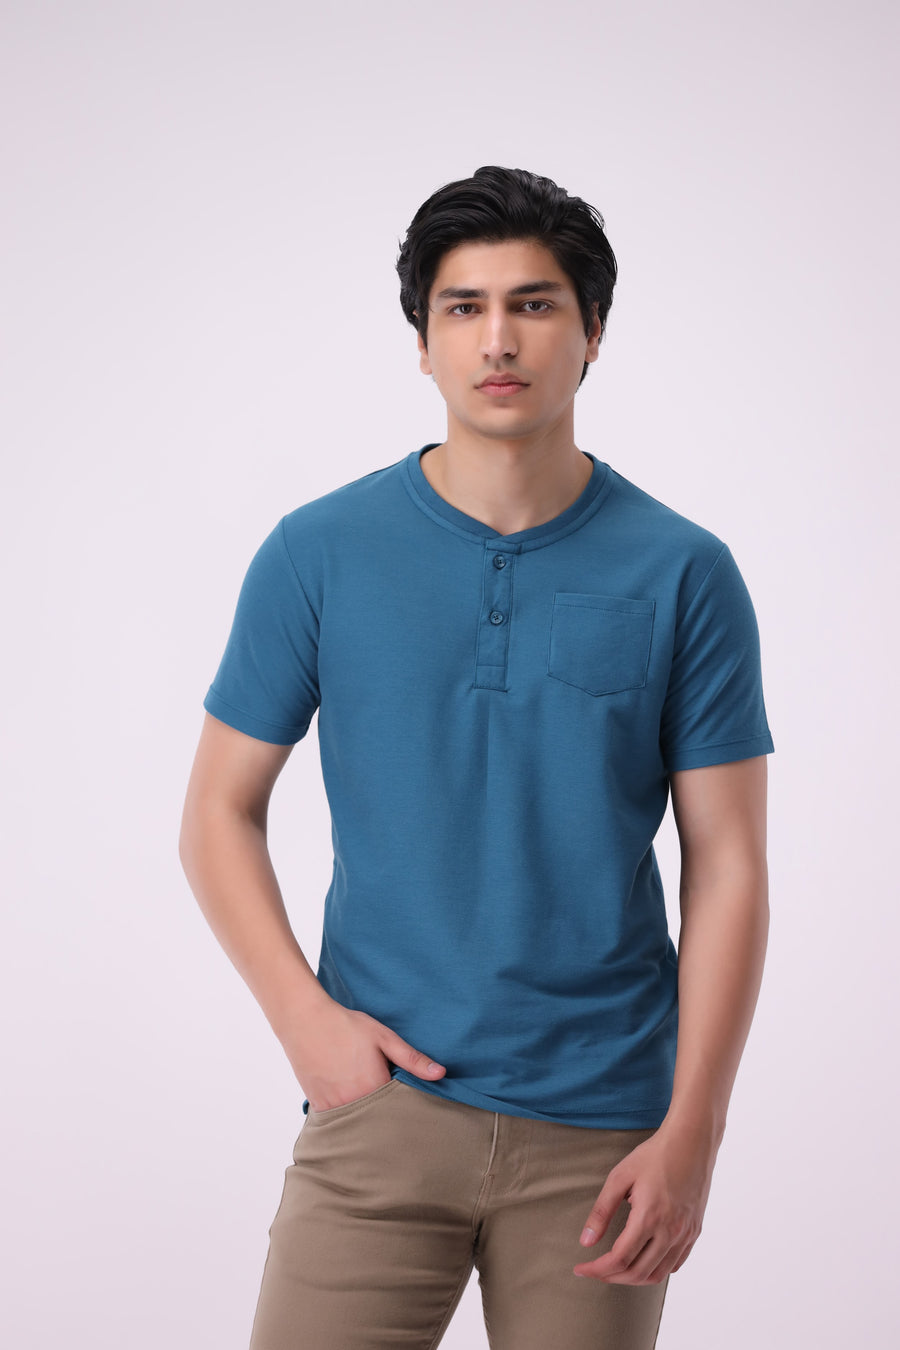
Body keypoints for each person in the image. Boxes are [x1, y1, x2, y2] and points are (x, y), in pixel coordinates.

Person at [179, 165, 774, 1350]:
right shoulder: (318, 553)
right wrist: (306, 1023)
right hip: (381, 1109)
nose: (499, 340)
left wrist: (694, 1133)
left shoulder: (684, 571)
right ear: (424, 341)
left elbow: (729, 864)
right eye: (464, 307)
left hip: (604, 1133)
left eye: (535, 304)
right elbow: (216, 812)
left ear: (593, 332)